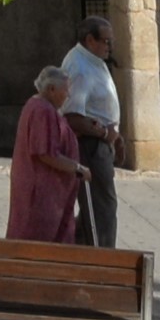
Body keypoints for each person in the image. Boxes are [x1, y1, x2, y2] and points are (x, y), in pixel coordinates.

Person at [7, 66, 88, 243]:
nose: (68, 95)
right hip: (41, 194)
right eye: (65, 90)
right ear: (51, 89)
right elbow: (45, 153)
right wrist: (77, 168)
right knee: (38, 242)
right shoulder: (42, 110)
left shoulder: (40, 107)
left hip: (48, 193)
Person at [61, 15, 122, 249]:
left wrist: (116, 137)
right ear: (89, 39)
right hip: (90, 146)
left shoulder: (93, 61)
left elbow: (100, 108)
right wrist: (106, 135)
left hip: (101, 143)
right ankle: (104, 258)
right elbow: (73, 116)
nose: (109, 47)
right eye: (105, 41)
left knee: (94, 208)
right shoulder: (81, 68)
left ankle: (80, 253)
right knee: (102, 207)